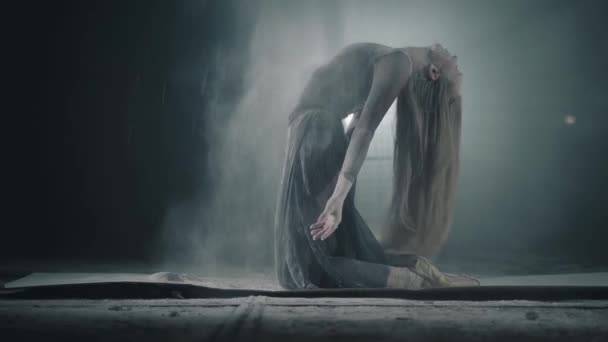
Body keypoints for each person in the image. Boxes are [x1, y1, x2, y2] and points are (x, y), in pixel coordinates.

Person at [274, 42, 477, 289]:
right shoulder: (393, 61)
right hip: (316, 133)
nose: (454, 57)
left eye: (456, 68)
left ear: (435, 72)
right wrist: (336, 186)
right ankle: (419, 271)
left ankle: (414, 281)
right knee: (329, 251)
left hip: (315, 132)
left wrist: (337, 198)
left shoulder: (399, 62)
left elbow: (364, 130)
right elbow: (356, 129)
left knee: (311, 267)